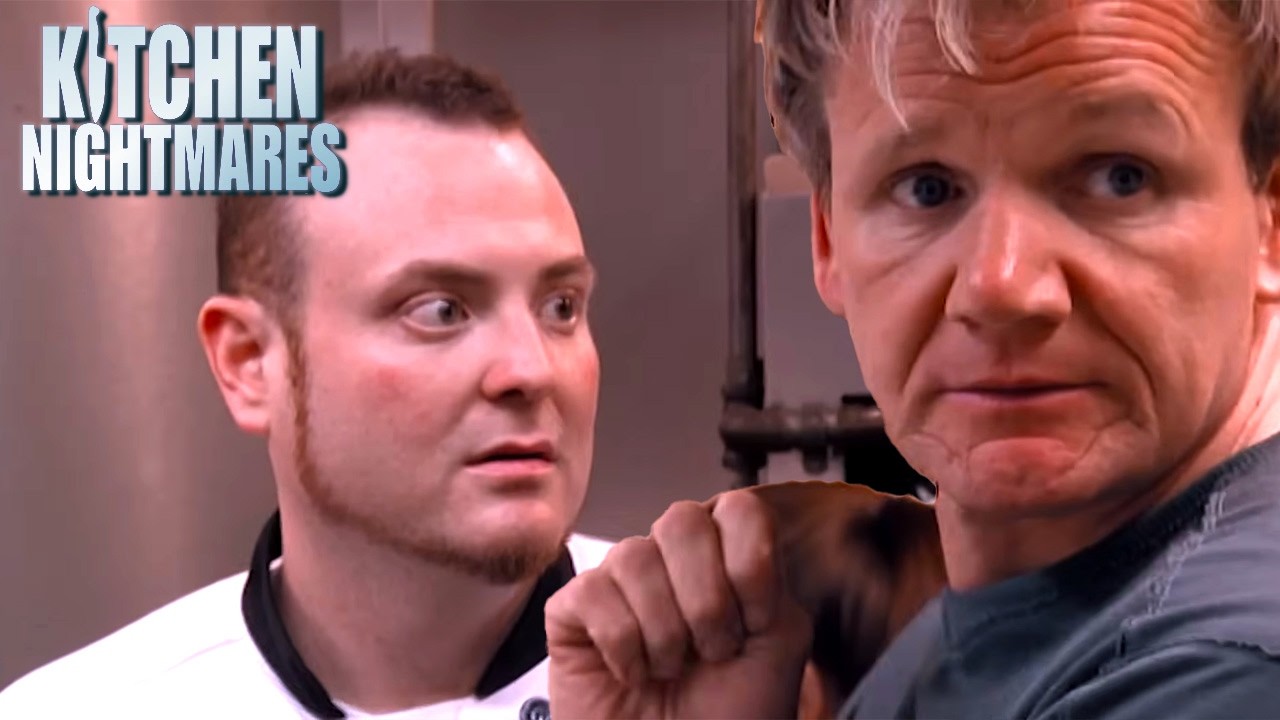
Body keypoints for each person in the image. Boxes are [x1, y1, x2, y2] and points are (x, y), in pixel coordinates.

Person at [545, 0, 1280, 717]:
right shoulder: (991, 622)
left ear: (1270, 224)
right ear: (827, 240)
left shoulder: (1229, 672)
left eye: (1119, 177)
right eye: (927, 188)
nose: (999, 286)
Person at [0, 50, 612, 719]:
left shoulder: (692, 668)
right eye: (441, 310)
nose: (530, 370)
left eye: (560, 307)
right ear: (248, 362)